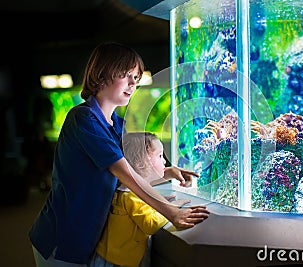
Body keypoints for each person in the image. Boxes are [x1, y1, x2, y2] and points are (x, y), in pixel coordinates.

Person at [29, 42, 209, 267]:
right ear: (102, 74)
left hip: (89, 235)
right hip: (61, 236)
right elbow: (123, 172)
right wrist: (171, 212)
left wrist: (166, 172)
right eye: (126, 75)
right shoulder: (84, 119)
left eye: (136, 77)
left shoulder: (117, 125)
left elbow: (133, 171)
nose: (133, 83)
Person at [92, 132, 187, 267]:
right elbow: (150, 223)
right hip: (117, 262)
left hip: (109, 257)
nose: (165, 161)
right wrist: (172, 207)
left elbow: (142, 204)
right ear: (141, 163)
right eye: (160, 156)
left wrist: (161, 198)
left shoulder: (126, 190)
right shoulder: (132, 196)